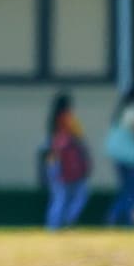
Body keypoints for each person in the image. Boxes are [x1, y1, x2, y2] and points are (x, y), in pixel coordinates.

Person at [42, 94, 92, 230]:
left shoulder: (52, 120)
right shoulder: (68, 119)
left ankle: (53, 225)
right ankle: (66, 221)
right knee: (78, 194)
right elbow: (80, 138)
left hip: (53, 161)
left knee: (58, 196)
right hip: (67, 162)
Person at [104, 87, 134, 227]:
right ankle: (129, 220)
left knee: (125, 188)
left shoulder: (120, 111)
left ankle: (113, 216)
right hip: (130, 156)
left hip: (117, 155)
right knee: (133, 189)